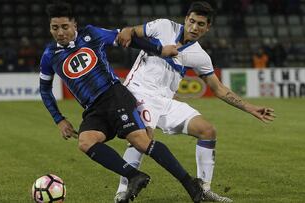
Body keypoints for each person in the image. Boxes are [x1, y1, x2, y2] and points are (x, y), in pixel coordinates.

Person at [39, 2, 204, 203]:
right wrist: (59, 120)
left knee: (141, 141)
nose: (60, 32)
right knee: (86, 141)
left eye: (65, 27)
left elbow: (127, 38)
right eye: (55, 28)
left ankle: (190, 184)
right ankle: (135, 176)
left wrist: (159, 49)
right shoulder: (49, 56)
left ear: (75, 24)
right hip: (93, 108)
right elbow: (45, 90)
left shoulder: (91, 34)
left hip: (114, 94)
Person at [114, 1, 276, 202]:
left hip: (164, 100)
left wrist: (251, 108)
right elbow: (131, 32)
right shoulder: (163, 26)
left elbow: (219, 89)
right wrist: (127, 32)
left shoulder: (200, 56)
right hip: (137, 92)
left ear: (208, 28)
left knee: (207, 131)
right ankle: (122, 191)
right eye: (192, 21)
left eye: (201, 24)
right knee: (142, 137)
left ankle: (203, 190)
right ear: (186, 19)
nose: (194, 27)